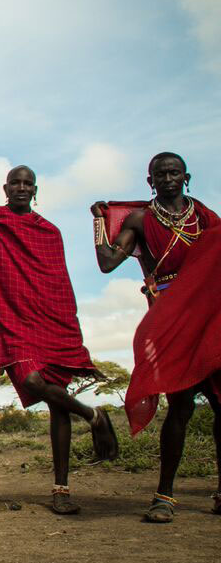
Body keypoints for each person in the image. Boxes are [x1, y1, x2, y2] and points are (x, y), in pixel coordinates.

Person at [0, 165, 118, 514]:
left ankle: (61, 490)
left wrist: (67, 324)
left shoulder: (49, 232)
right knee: (32, 379)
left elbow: (57, 280)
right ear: (5, 187)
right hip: (12, 318)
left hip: (50, 318)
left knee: (58, 405)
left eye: (27, 183)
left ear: (35, 190)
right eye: (15, 182)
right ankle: (94, 416)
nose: (21, 187)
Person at [93, 152, 221, 523]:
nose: (167, 178)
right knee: (180, 407)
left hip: (208, 318)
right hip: (168, 316)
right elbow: (106, 263)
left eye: (174, 172)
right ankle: (163, 496)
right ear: (150, 181)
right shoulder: (141, 220)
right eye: (159, 174)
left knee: (220, 404)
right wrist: (100, 224)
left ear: (186, 176)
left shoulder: (207, 219)